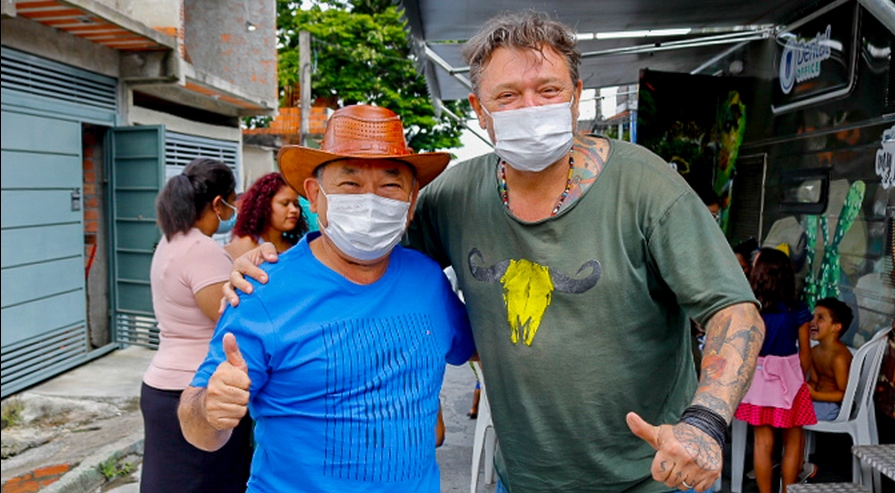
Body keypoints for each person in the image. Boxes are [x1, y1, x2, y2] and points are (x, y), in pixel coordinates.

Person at [226, 11, 764, 493]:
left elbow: (734, 310)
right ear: (479, 109)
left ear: (576, 95)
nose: (529, 108)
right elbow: (365, 258)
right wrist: (272, 264)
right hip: (524, 478)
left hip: (653, 477)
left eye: (548, 90)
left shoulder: (646, 185)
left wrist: (705, 422)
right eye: (507, 96)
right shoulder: (454, 196)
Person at [178, 105, 475, 492]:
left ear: (412, 200)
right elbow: (198, 429)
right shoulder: (261, 290)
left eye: (390, 186)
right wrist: (210, 408)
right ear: (315, 195)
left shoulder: (428, 280)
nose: (371, 199)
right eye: (350, 183)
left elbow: (482, 348)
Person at [142, 158, 252, 493]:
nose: (234, 210)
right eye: (232, 201)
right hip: (197, 392)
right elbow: (231, 321)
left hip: (162, 386)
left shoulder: (170, 241)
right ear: (218, 204)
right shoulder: (203, 251)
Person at [734, 248, 817, 493]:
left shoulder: (751, 309)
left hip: (758, 380)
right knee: (793, 441)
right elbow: (805, 352)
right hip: (790, 378)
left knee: (762, 443)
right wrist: (800, 380)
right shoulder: (797, 309)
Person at [226, 172, 308, 259]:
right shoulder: (245, 245)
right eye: (285, 203)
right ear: (264, 206)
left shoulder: (296, 245)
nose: (294, 210)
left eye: (296, 204)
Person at [808, 297, 854, 420]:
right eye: (813, 317)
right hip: (817, 400)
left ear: (836, 327)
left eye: (820, 318)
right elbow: (814, 381)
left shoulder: (839, 358)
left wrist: (816, 395)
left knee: (792, 416)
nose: (812, 322)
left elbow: (844, 394)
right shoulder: (814, 351)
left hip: (834, 407)